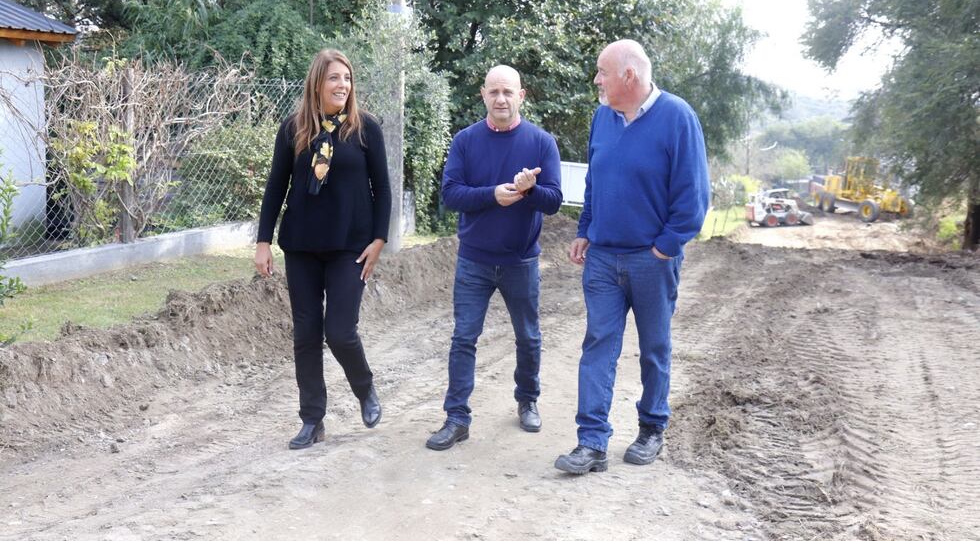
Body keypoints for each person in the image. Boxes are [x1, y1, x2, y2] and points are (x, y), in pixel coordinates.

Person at [554, 39, 710, 474]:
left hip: (652, 260)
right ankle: (591, 443)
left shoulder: (678, 117)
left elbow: (694, 196)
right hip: (603, 258)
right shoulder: (602, 118)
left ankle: (652, 429)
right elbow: (594, 182)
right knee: (598, 345)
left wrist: (665, 247)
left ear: (629, 75)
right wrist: (585, 230)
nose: (597, 80)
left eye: (602, 72)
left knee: (653, 348)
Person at [255, 48, 391, 450]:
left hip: (351, 247)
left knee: (341, 332)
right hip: (302, 247)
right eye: (334, 78)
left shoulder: (365, 129)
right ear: (317, 84)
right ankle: (312, 420)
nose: (342, 85)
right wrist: (263, 241)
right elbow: (275, 187)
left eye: (347, 78)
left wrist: (379, 240)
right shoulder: (293, 129)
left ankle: (365, 388)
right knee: (307, 335)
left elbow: (382, 189)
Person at [425, 65, 563, 451]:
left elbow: (554, 201)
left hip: (522, 261)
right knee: (463, 338)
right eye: (494, 92)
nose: (501, 99)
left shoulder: (542, 142)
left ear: (521, 96)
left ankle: (528, 400)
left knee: (528, 337)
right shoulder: (465, 141)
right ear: (483, 95)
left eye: (508, 92)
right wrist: (492, 195)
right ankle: (457, 418)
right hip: (474, 260)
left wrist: (529, 190)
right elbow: (450, 194)